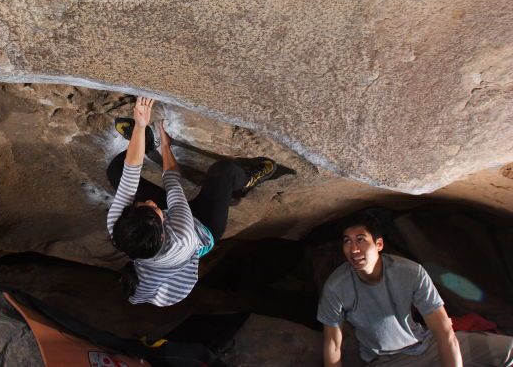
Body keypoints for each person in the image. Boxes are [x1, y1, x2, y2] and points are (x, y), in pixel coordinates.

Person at [106, 96, 276, 307]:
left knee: (116, 170)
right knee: (224, 171)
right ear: (162, 230)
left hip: (159, 228)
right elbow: (172, 180)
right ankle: (246, 178)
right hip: (202, 228)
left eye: (141, 205)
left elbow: (131, 171)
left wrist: (140, 126)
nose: (150, 201)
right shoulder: (182, 236)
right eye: (153, 208)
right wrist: (166, 147)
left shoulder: (118, 227)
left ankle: (145, 142)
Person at [317, 211, 513, 366]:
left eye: (360, 239)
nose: (353, 249)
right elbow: (333, 344)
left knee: (509, 348)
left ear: (379, 244)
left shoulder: (410, 272)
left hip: (426, 345)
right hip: (387, 360)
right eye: (347, 241)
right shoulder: (336, 287)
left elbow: (443, 330)